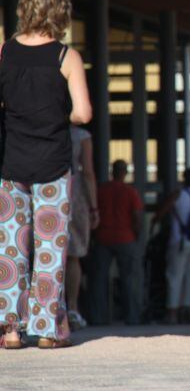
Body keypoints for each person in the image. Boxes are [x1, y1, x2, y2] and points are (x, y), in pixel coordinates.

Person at [0, 0, 92, 349]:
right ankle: (48, 330)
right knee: (51, 247)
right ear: (61, 10)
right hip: (53, 163)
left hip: (10, 164)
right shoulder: (66, 57)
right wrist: (55, 114)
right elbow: (83, 113)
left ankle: (9, 329)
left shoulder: (4, 54)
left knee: (11, 247)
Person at [152, 168, 190, 325]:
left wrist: (153, 225)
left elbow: (160, 214)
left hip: (180, 241)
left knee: (175, 276)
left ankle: (173, 314)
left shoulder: (179, 194)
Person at [90, 160, 144, 325]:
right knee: (129, 278)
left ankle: (99, 318)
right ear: (125, 173)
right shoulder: (130, 191)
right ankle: (132, 317)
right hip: (125, 238)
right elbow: (137, 216)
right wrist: (137, 235)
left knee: (100, 280)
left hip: (103, 237)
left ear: (112, 172)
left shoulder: (101, 190)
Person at [66, 126, 99, 330]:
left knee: (40, 253)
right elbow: (87, 172)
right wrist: (94, 207)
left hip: (37, 186)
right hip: (73, 191)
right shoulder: (80, 135)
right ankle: (72, 307)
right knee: (73, 253)